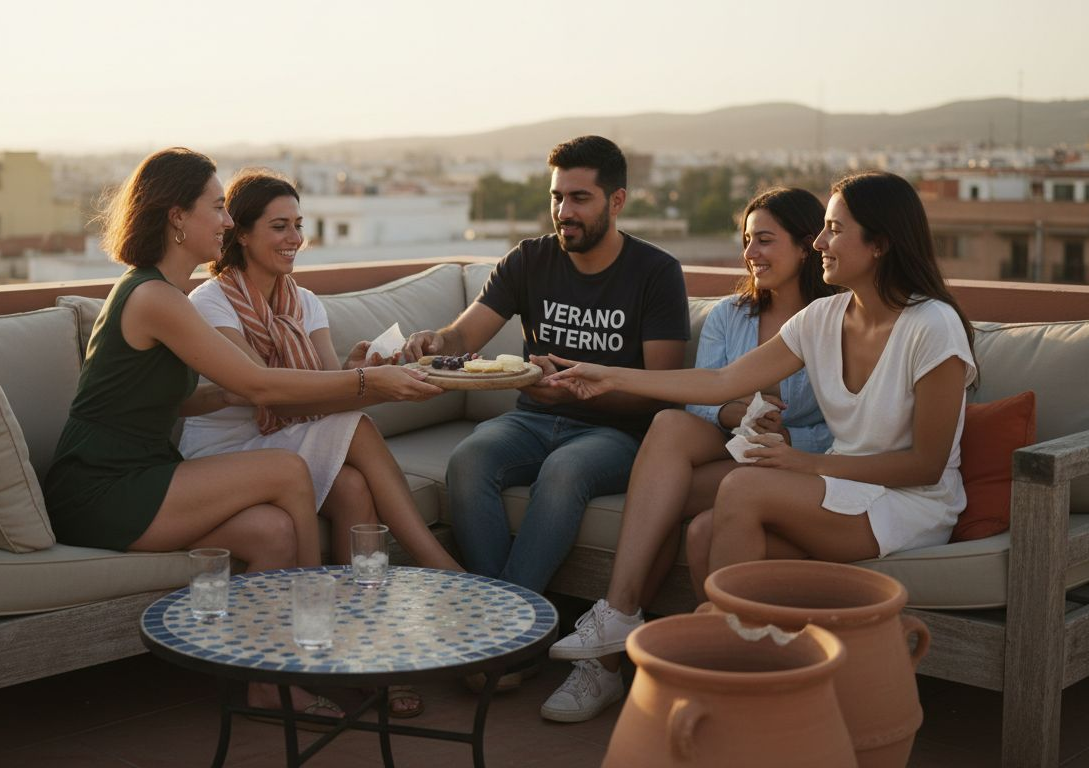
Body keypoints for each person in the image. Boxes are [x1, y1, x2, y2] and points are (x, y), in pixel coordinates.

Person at [43, 148, 441, 723]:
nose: (226, 222)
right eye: (217, 208)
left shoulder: (161, 295)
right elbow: (260, 384)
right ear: (177, 217)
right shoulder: (157, 298)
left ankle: (263, 683)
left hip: (141, 473)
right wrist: (365, 379)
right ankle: (312, 655)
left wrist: (220, 394)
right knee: (287, 471)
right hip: (101, 488)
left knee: (273, 532)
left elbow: (167, 397)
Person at [545, 173, 976, 635]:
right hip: (842, 488)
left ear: (879, 244)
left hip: (910, 504)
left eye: (834, 229)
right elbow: (721, 381)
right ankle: (754, 655)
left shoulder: (933, 325)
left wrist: (804, 464)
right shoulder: (823, 318)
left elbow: (926, 466)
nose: (818, 242)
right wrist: (606, 376)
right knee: (702, 532)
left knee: (744, 487)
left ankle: (718, 656)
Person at [540, 187, 838, 723]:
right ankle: (620, 614)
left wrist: (794, 440)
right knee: (670, 425)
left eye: (765, 240)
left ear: (805, 245)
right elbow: (701, 397)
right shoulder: (731, 314)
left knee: (677, 508)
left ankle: (608, 656)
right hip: (726, 445)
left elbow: (849, 425)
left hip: (791, 465)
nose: (751, 254)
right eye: (746, 240)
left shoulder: (836, 321)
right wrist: (730, 413)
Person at [178, 168, 462, 717]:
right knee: (359, 428)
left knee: (354, 486)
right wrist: (364, 386)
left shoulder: (305, 302)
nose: (294, 239)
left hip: (290, 444)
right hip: (228, 455)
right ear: (241, 235)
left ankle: (362, 646)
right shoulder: (211, 303)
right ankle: (439, 567)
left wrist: (359, 370)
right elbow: (270, 393)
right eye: (279, 227)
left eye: (299, 225)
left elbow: (331, 390)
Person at [404, 135, 690, 679]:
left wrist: (587, 389)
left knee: (562, 473)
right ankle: (515, 629)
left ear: (617, 201)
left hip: (617, 431)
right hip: (533, 416)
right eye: (557, 197)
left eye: (580, 198)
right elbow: (466, 333)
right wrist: (435, 342)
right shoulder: (529, 259)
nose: (564, 212)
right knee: (468, 460)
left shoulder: (655, 272)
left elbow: (662, 387)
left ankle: (500, 637)